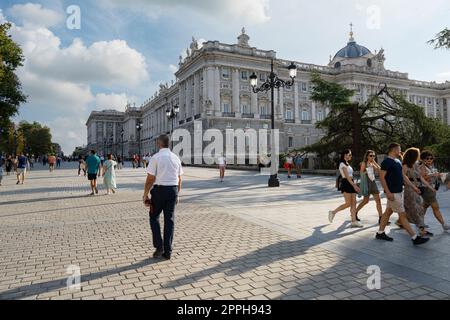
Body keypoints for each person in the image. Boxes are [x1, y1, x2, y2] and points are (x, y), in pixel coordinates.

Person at [376, 143, 429, 245]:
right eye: (399, 149)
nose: (400, 151)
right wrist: (388, 192)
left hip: (399, 191)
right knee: (402, 215)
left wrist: (414, 187)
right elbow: (382, 178)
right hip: (393, 193)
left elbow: (403, 176)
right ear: (393, 150)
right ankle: (414, 238)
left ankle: (380, 232)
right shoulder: (386, 162)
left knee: (388, 212)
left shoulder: (397, 161)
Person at [143, 135, 183, 261]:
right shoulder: (176, 158)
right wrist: (177, 194)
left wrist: (145, 194)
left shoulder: (156, 158)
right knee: (169, 220)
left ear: (159, 144)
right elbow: (179, 178)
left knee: (154, 217)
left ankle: (159, 246)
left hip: (159, 191)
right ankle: (168, 251)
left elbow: (150, 179)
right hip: (173, 190)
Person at [401, 148, 434, 237]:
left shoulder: (415, 165)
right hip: (410, 190)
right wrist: (414, 187)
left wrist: (429, 186)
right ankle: (403, 222)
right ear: (413, 155)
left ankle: (421, 229)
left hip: (417, 189)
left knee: (419, 210)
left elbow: (420, 177)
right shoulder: (404, 166)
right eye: (418, 154)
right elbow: (404, 178)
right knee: (414, 210)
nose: (419, 156)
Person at [328, 150, 363, 228]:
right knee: (348, 203)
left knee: (354, 202)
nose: (351, 156)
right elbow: (347, 176)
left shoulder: (347, 164)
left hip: (351, 182)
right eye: (349, 154)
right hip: (346, 183)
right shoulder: (342, 164)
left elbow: (351, 176)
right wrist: (354, 185)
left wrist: (354, 184)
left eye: (351, 155)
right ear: (345, 155)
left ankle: (354, 221)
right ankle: (333, 212)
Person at [419, 151, 450, 231]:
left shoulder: (431, 166)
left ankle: (419, 222)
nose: (430, 160)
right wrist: (433, 175)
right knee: (435, 207)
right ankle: (444, 224)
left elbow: (433, 176)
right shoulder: (422, 167)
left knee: (424, 206)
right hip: (426, 190)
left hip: (432, 189)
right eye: (427, 158)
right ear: (422, 159)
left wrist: (438, 175)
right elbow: (421, 178)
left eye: (431, 158)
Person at [355, 150, 385, 224]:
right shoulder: (364, 163)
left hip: (373, 183)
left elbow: (380, 170)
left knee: (378, 200)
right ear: (367, 156)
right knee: (365, 201)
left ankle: (381, 218)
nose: (372, 157)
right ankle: (354, 212)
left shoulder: (373, 163)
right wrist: (368, 169)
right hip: (366, 183)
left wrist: (374, 163)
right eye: (371, 155)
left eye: (373, 156)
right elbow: (361, 173)